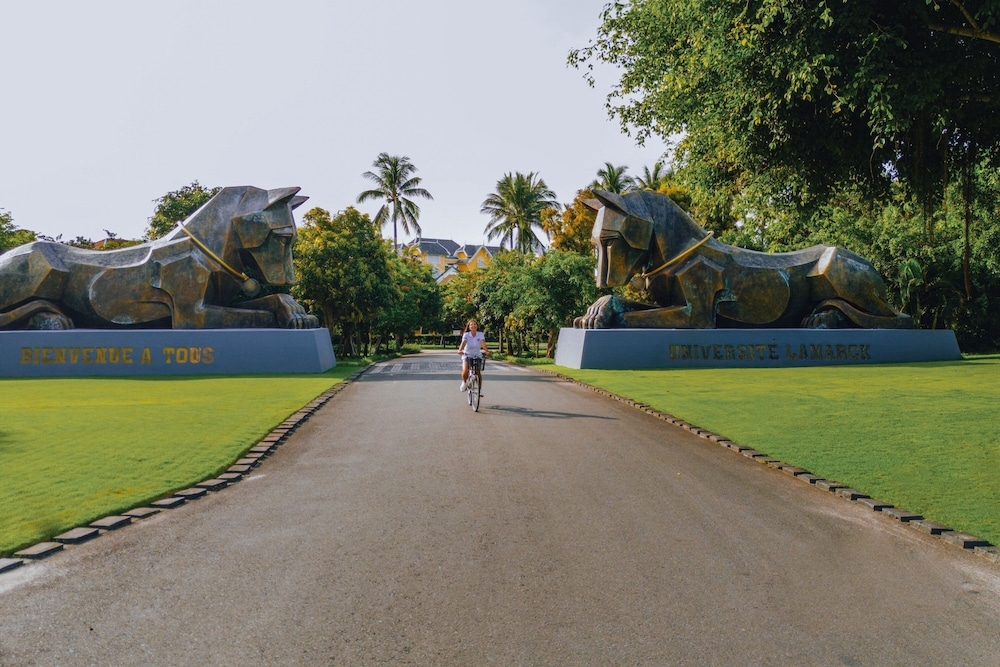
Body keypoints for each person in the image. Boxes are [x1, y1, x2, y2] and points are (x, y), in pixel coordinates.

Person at [457, 318, 488, 392]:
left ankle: (479, 390)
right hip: (467, 355)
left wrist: (486, 351)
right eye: (471, 324)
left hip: (477, 355)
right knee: (465, 371)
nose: (473, 326)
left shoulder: (480, 334)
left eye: (475, 324)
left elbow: (482, 342)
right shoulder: (466, 335)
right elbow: (463, 343)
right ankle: (464, 382)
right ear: (469, 326)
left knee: (478, 371)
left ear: (477, 326)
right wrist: (460, 350)